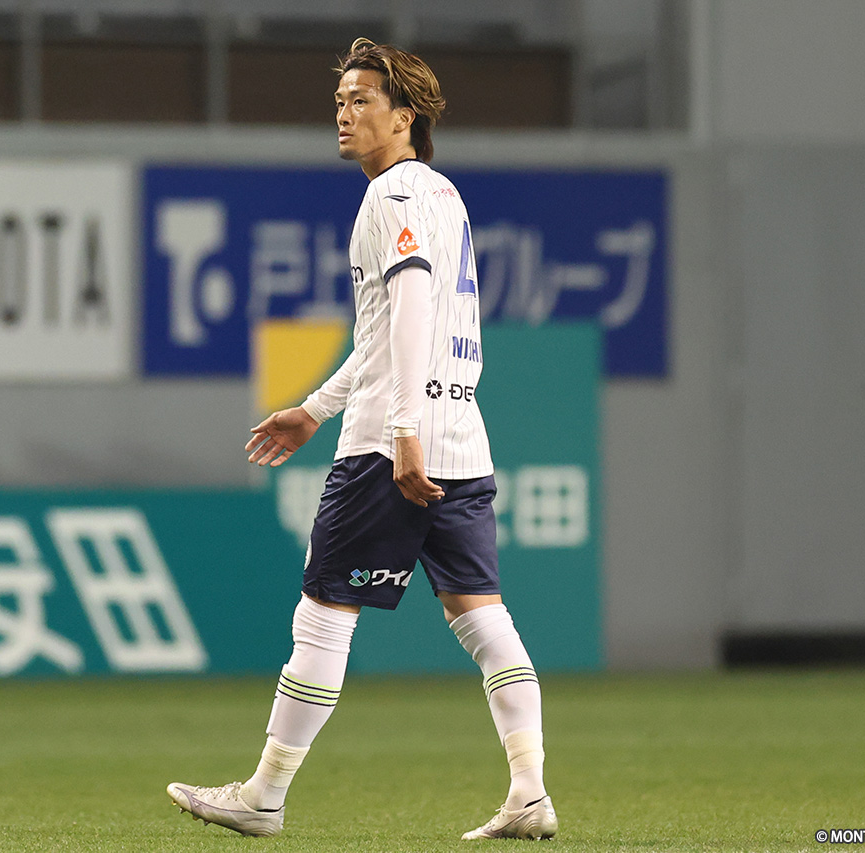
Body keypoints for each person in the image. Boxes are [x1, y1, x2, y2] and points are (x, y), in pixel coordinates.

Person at [167, 38, 556, 842]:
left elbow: (410, 306)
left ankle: (264, 795)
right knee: (484, 618)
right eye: (339, 101)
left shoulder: (393, 195)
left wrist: (403, 430)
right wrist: (315, 407)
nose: (344, 114)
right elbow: (388, 334)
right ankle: (529, 790)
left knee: (324, 616)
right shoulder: (442, 194)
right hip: (463, 435)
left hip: (388, 442)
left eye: (362, 101)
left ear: (405, 116)